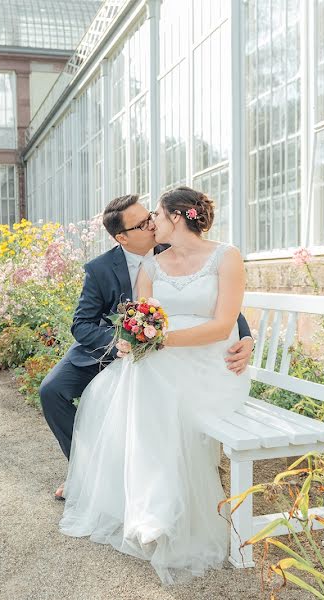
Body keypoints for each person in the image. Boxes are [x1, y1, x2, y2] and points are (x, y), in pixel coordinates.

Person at [57, 186, 252, 584]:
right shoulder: (149, 267)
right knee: (130, 381)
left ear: (177, 218)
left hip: (211, 364)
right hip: (153, 357)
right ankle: (148, 507)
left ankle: (157, 508)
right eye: (144, 223)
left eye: (156, 217)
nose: (152, 224)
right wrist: (135, 340)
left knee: (147, 379)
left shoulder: (225, 256)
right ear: (121, 237)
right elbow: (138, 316)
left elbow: (223, 321)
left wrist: (163, 341)